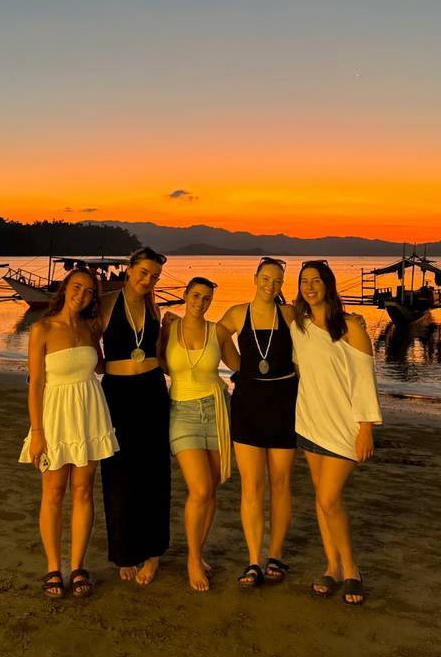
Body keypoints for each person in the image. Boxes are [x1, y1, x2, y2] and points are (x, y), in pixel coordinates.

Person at [19, 267, 119, 598]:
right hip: (56, 415)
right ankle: (52, 567)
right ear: (65, 288)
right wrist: (37, 432)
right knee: (53, 492)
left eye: (90, 291)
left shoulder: (92, 328)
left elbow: (102, 367)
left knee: (84, 492)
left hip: (89, 412)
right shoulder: (42, 328)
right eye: (77, 287)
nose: (82, 294)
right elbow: (36, 385)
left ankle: (77, 567)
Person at [291, 259, 382, 606]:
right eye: (304, 281)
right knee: (321, 498)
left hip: (343, 426)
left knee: (330, 499)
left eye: (316, 280)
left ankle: (352, 570)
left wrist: (366, 429)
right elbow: (303, 371)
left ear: (328, 285)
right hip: (310, 420)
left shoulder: (351, 327)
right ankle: (331, 566)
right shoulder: (299, 327)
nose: (309, 286)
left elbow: (364, 384)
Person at [218, 257, 298, 587]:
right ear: (255, 278)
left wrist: (352, 320)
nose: (271, 285)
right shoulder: (238, 313)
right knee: (252, 487)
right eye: (266, 278)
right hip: (248, 403)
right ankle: (254, 560)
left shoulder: (290, 314)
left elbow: (324, 327)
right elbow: (216, 337)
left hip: (283, 403)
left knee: (280, 484)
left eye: (278, 280)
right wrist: (239, 367)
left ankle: (275, 555)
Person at [160, 277, 240, 592]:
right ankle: (193, 558)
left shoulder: (218, 332)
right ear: (185, 295)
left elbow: (240, 367)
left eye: (206, 298)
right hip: (183, 413)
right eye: (195, 295)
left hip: (217, 410)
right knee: (200, 489)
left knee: (213, 489)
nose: (200, 302)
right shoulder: (169, 329)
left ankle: (199, 550)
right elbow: (159, 363)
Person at [98, 246, 170, 585]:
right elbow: (83, 341)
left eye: (154, 276)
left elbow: (163, 353)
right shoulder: (107, 302)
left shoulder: (155, 307)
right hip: (117, 393)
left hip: (152, 391)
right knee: (119, 474)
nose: (148, 280)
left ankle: (153, 553)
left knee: (154, 474)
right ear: (129, 269)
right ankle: (125, 552)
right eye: (143, 273)